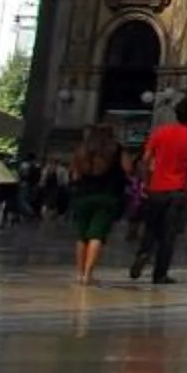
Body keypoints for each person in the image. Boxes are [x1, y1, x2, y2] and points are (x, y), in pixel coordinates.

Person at [126, 96, 187, 286]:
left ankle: (143, 253)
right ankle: (160, 274)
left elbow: (145, 160)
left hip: (156, 189)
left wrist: (145, 183)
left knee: (151, 227)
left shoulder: (160, 132)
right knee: (169, 234)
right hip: (178, 190)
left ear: (175, 113)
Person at [66, 122, 129, 285]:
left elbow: (74, 175)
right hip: (107, 197)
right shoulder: (116, 150)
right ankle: (88, 274)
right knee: (96, 236)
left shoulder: (82, 150)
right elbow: (128, 169)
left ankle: (79, 274)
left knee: (82, 237)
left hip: (83, 197)